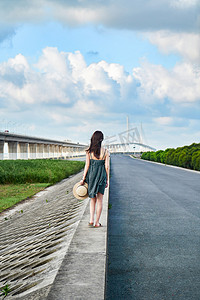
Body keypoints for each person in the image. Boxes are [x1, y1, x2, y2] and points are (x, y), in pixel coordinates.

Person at [80, 130, 110, 227]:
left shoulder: (89, 151)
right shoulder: (106, 151)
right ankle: (97, 222)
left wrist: (83, 178)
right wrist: (107, 179)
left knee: (92, 199)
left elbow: (87, 166)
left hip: (92, 176)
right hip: (101, 176)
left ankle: (91, 220)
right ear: (101, 140)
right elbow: (107, 167)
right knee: (100, 200)